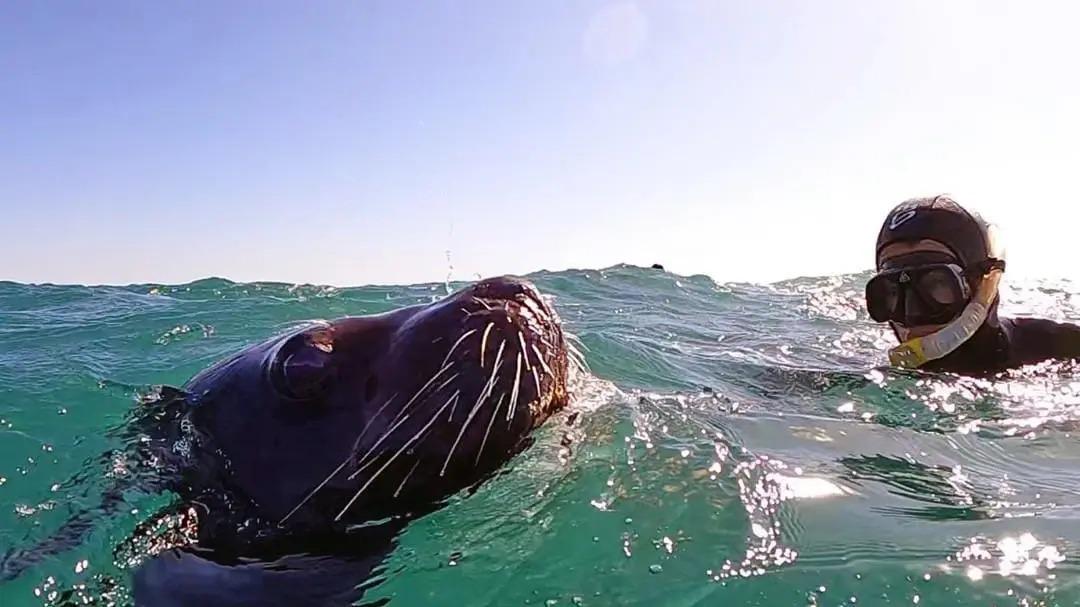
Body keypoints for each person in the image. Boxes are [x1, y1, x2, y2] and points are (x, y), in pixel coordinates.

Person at [865, 194, 1080, 375]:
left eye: (937, 283)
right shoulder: (872, 375)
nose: (911, 313)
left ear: (986, 282)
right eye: (892, 290)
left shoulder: (1063, 349)